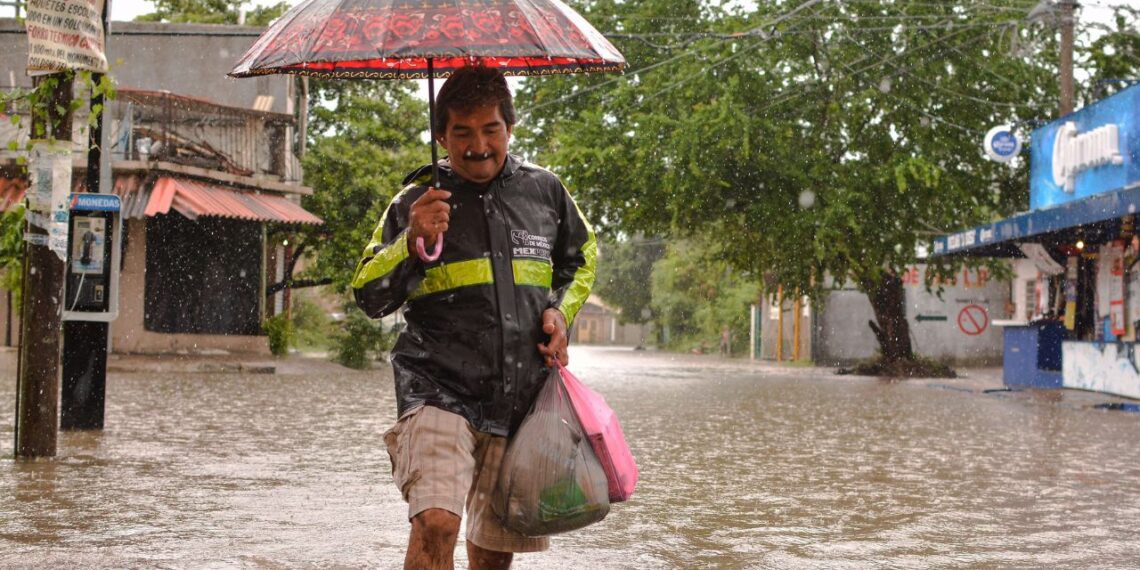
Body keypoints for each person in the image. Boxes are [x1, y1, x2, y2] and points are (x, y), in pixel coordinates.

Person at [351, 65, 597, 570]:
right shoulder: (414, 203)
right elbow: (368, 296)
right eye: (461, 132)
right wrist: (412, 241)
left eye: (490, 130)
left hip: (519, 397)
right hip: (436, 388)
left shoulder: (546, 192)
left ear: (510, 127)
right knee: (436, 522)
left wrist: (560, 310)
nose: (478, 145)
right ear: (441, 136)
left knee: (492, 555)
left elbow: (584, 257)